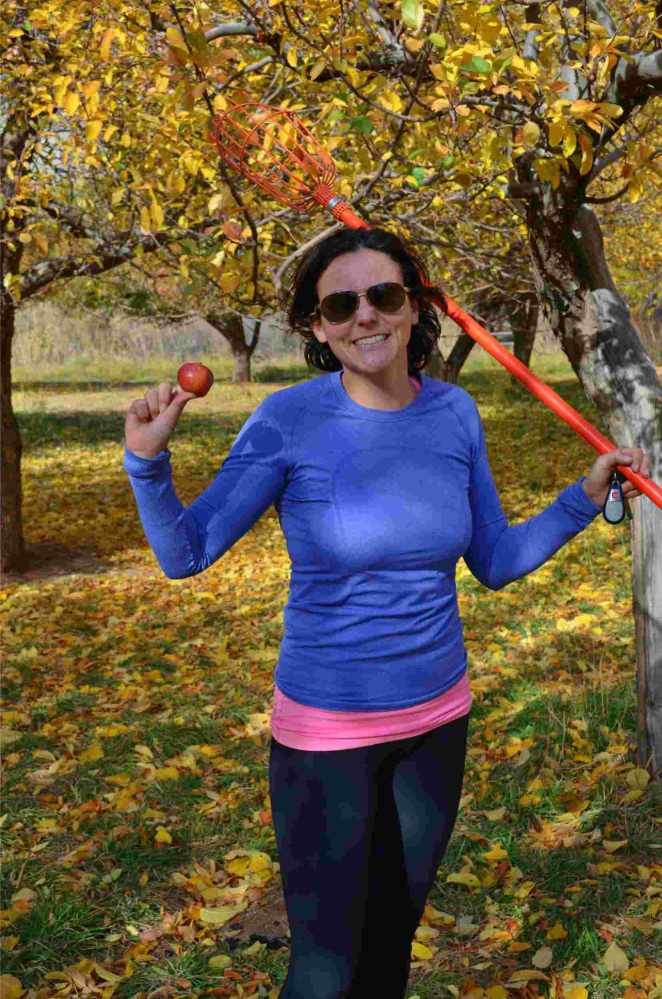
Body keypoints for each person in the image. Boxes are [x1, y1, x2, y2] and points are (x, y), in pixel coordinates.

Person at [123, 227, 651, 999]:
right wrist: (146, 463)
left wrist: (583, 497)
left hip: (437, 725)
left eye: (383, 295)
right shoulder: (287, 420)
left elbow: (494, 559)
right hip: (326, 737)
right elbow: (187, 552)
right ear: (317, 325)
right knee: (325, 971)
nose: (364, 315)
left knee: (389, 949)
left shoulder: (455, 414)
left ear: (414, 306)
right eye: (341, 304)